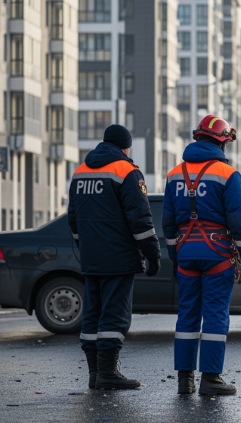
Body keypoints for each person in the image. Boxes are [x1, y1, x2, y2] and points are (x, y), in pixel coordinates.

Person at [163, 115, 241, 396]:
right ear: (223, 142)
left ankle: (184, 381)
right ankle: (211, 379)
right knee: (215, 315)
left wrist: (174, 256)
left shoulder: (174, 174)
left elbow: (168, 223)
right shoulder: (228, 175)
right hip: (217, 254)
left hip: (186, 254)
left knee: (187, 316)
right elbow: (239, 223)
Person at [68, 124, 161, 390]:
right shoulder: (127, 171)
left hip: (91, 258)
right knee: (114, 316)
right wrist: (152, 255)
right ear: (126, 146)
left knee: (92, 315)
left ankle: (95, 374)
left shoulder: (80, 172)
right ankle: (108, 374)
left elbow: (73, 220)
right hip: (118, 258)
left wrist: (83, 245)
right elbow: (140, 220)